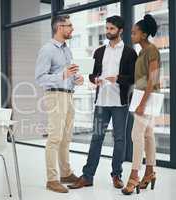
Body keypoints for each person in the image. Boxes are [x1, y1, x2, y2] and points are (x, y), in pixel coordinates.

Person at [67, 16, 137, 190]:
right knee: (96, 138)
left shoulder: (129, 52)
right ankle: (87, 176)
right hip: (101, 102)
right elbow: (92, 74)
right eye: (107, 28)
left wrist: (118, 79)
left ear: (120, 31)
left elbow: (134, 77)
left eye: (112, 29)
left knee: (120, 139)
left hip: (120, 103)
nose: (108, 31)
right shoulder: (99, 51)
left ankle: (116, 175)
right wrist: (95, 79)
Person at [35, 14, 84, 193]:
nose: (72, 28)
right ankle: (52, 179)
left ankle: (65, 173)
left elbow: (68, 74)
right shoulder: (47, 50)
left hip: (68, 95)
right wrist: (62, 76)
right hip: (55, 96)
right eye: (69, 25)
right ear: (59, 27)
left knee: (66, 138)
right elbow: (40, 78)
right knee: (55, 138)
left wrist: (75, 80)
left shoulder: (66, 50)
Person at [122, 14, 160, 195]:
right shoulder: (142, 52)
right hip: (142, 94)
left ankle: (134, 175)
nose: (132, 35)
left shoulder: (152, 50)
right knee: (147, 135)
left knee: (136, 135)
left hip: (147, 95)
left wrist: (143, 103)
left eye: (134, 33)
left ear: (143, 35)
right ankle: (150, 172)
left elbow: (153, 79)